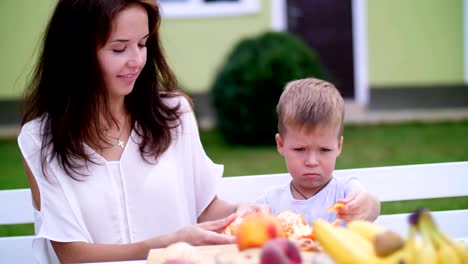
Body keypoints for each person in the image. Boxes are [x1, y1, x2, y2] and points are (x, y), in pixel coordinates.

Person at [18, 0, 266, 263]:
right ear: (76, 53)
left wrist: (241, 212)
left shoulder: (175, 115)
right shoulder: (39, 140)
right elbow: (71, 253)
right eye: (119, 48)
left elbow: (205, 208)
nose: (136, 61)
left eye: (142, 44)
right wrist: (165, 243)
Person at [256, 77, 380, 224]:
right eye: (300, 149)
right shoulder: (270, 201)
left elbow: (370, 205)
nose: (311, 162)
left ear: (338, 146)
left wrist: (368, 205)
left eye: (324, 150)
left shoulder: (345, 190)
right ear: (281, 144)